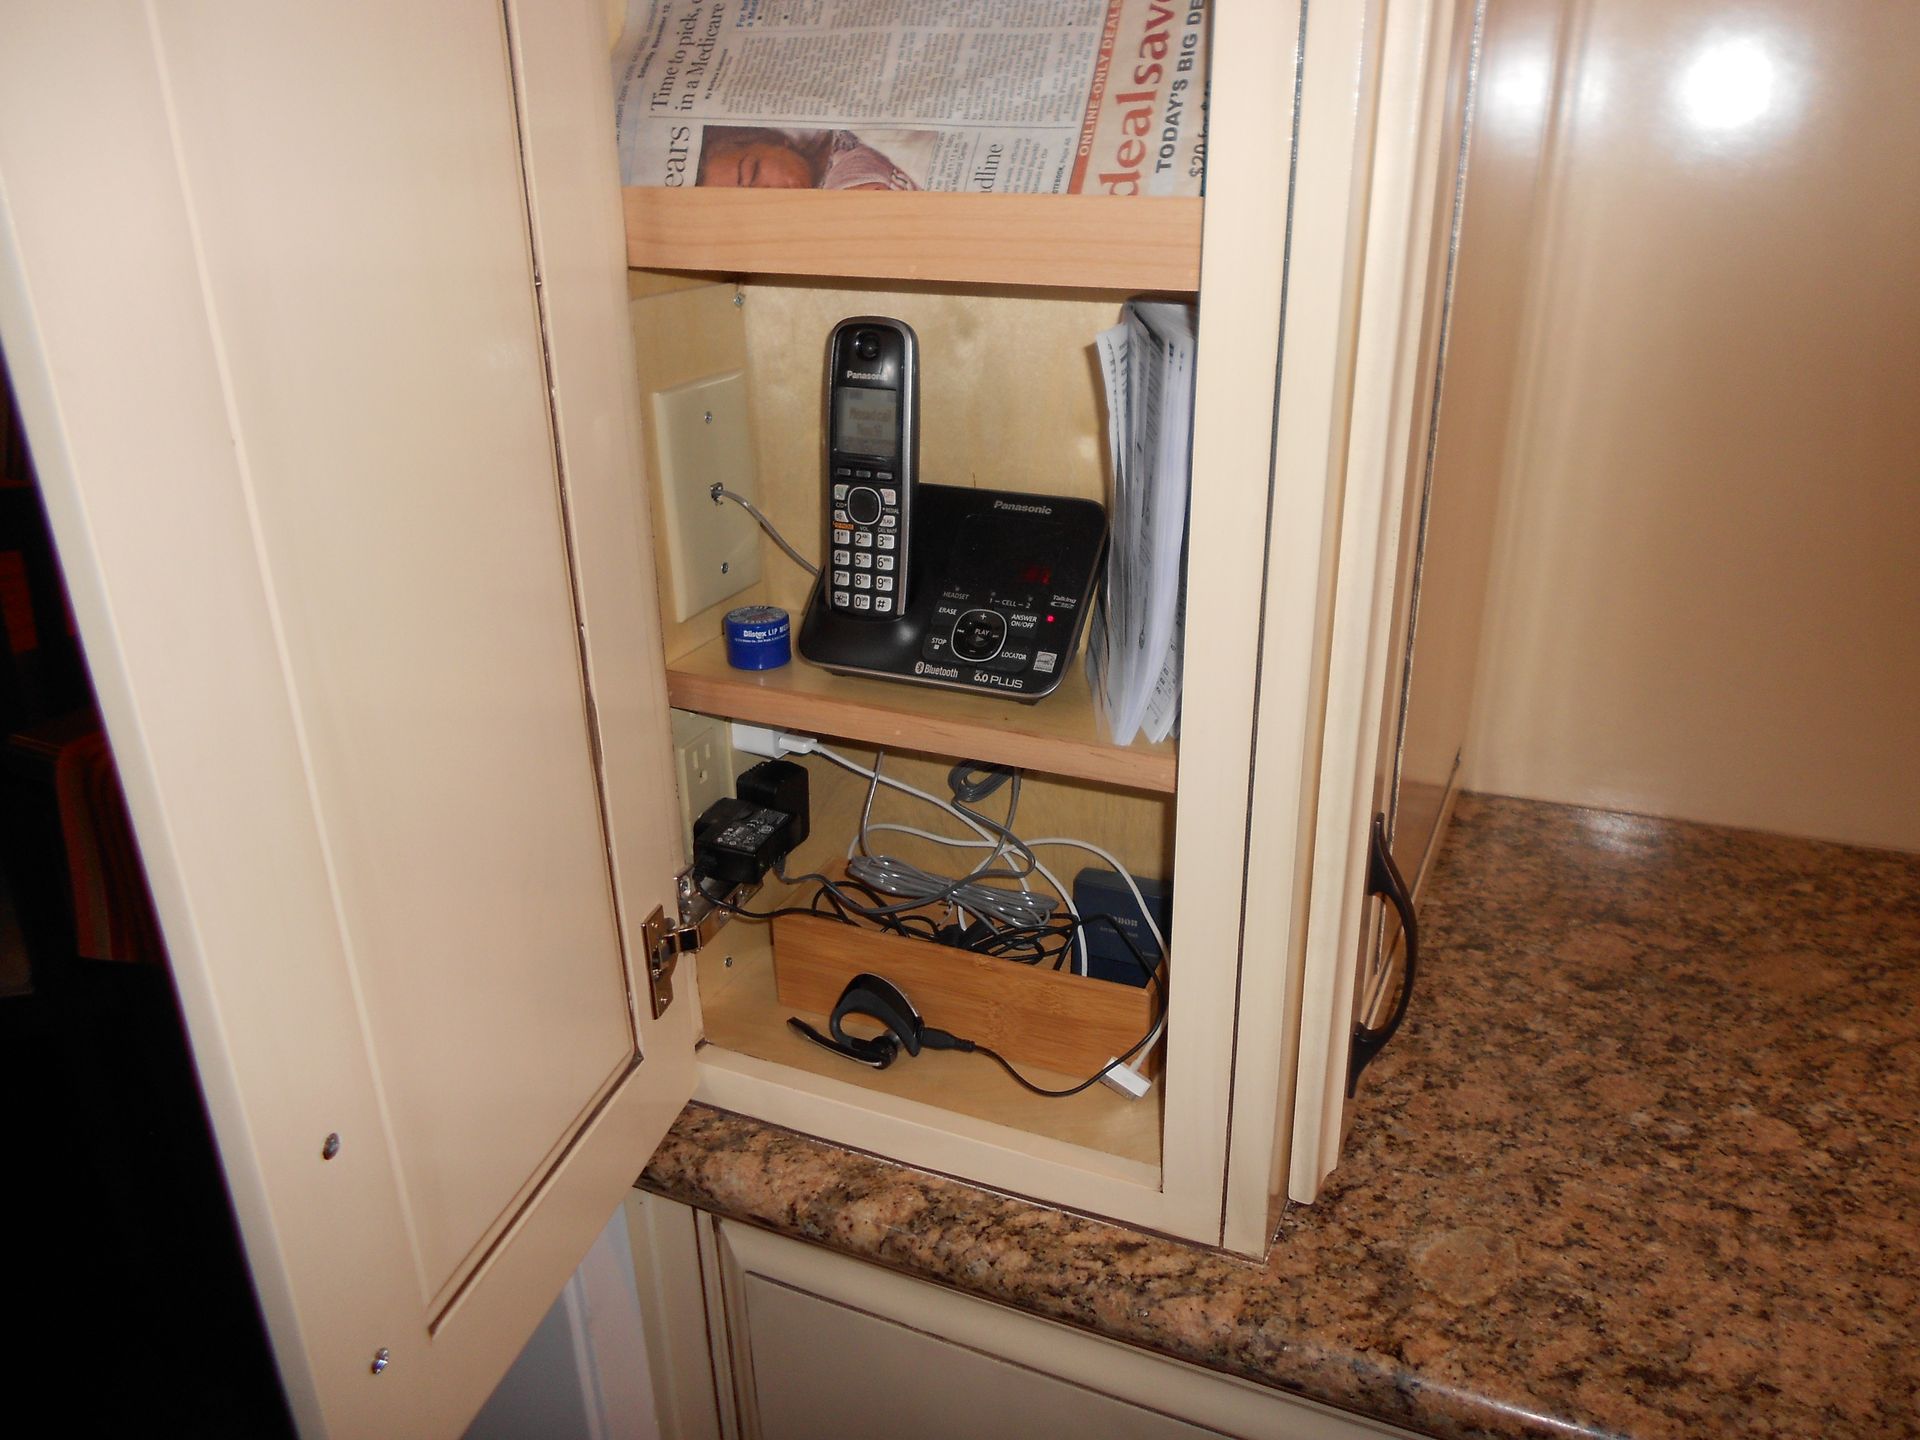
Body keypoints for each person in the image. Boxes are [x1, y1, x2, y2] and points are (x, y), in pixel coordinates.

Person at [696, 125, 923, 190]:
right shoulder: (839, 187)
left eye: (753, 172)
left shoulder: (822, 131)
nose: (763, 193)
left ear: (772, 142)